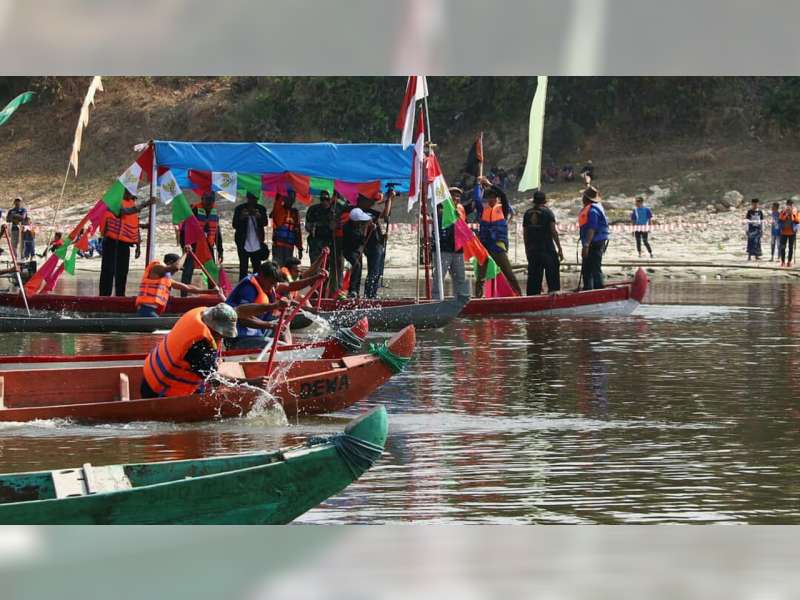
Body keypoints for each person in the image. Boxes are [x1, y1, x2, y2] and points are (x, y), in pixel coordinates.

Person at [140, 303, 270, 399]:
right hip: (159, 393)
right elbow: (213, 379)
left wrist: (273, 306)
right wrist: (252, 383)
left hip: (151, 375)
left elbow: (238, 311)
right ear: (213, 328)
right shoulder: (198, 345)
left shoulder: (206, 313)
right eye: (221, 334)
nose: (223, 337)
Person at [224, 260, 327, 348]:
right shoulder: (248, 288)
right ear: (262, 276)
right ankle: (285, 350)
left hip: (258, 331)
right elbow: (243, 319)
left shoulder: (269, 281)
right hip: (240, 337)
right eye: (271, 283)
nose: (273, 286)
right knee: (278, 345)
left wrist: (316, 278)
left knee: (284, 323)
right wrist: (271, 325)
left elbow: (290, 285)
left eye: (275, 283)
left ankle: (288, 348)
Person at [473, 176, 523, 297]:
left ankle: (518, 294)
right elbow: (476, 198)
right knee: (480, 275)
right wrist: (478, 184)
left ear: (496, 198)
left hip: (497, 246)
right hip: (484, 246)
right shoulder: (482, 210)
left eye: (493, 197)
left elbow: (504, 196)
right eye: (489, 197)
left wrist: (490, 184)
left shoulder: (503, 209)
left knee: (508, 272)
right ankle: (478, 296)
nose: (491, 199)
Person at [98, 190, 154, 296]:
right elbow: (124, 212)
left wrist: (138, 245)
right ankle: (104, 296)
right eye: (129, 193)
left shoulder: (132, 203)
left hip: (125, 244)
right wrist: (145, 204)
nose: (131, 196)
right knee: (108, 270)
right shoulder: (115, 202)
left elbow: (134, 224)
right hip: (112, 242)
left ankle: (120, 295)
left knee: (122, 272)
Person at [135, 251, 224, 317]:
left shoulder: (166, 279)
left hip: (152, 311)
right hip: (146, 310)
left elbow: (188, 288)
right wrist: (185, 253)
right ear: (169, 263)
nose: (175, 272)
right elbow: (176, 267)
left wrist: (211, 291)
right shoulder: (156, 268)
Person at [180, 191, 224, 296]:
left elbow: (217, 231)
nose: (209, 204)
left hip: (208, 246)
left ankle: (212, 295)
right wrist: (184, 246)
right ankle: (183, 296)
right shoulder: (194, 210)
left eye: (211, 201)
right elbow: (185, 229)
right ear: (202, 199)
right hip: (193, 246)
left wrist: (220, 249)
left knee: (211, 271)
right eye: (207, 200)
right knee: (188, 270)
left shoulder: (214, 211)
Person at [523, 191, 564, 295]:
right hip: (547, 250)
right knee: (553, 278)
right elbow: (553, 231)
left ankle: (531, 301)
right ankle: (553, 301)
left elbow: (525, 234)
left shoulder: (527, 214)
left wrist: (527, 250)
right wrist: (559, 248)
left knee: (533, 280)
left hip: (532, 250)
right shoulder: (548, 212)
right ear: (544, 201)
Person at [432, 187, 469, 298]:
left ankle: (460, 299)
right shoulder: (440, 209)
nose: (456, 198)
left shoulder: (460, 210)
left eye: (458, 196)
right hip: (443, 250)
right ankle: (436, 300)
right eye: (453, 195)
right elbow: (439, 226)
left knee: (460, 278)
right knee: (439, 277)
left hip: (458, 250)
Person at [305, 189, 343, 293]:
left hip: (333, 244)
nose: (324, 201)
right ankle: (316, 293)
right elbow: (307, 226)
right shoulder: (313, 209)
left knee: (335, 270)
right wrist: (314, 226)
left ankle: (334, 293)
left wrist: (336, 225)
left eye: (327, 199)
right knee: (318, 271)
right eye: (322, 199)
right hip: (317, 244)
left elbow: (344, 222)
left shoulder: (337, 208)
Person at [358, 191, 393, 299]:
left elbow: (384, 215)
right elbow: (384, 214)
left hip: (378, 243)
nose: (370, 203)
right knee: (373, 271)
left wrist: (389, 200)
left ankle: (372, 293)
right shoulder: (363, 213)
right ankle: (369, 294)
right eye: (366, 200)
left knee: (377, 271)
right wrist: (389, 199)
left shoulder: (370, 211)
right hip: (372, 245)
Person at [232, 191, 269, 281]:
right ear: (247, 198)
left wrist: (259, 216)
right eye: (251, 198)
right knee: (243, 268)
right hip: (243, 242)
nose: (253, 201)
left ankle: (257, 288)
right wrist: (242, 217)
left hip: (257, 243)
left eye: (255, 199)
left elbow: (265, 223)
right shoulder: (239, 209)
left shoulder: (261, 209)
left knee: (257, 268)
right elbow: (234, 225)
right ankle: (242, 289)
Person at [578, 186, 610, 290]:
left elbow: (592, 229)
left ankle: (597, 289)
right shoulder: (593, 209)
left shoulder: (592, 211)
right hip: (594, 242)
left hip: (594, 243)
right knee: (588, 268)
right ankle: (589, 289)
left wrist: (586, 245)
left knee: (593, 268)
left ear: (586, 199)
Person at [342, 206, 373, 297]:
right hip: (349, 251)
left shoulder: (359, 225)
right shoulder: (348, 227)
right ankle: (352, 289)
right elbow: (360, 239)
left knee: (359, 270)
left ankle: (357, 291)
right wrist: (367, 229)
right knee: (356, 266)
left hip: (357, 251)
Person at [270, 190, 303, 267]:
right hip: (278, 246)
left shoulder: (295, 213)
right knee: (277, 268)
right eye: (289, 197)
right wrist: (282, 191)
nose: (291, 199)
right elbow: (277, 200)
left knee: (287, 269)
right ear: (285, 198)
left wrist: (300, 248)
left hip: (289, 247)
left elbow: (298, 232)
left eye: (293, 197)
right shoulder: (279, 210)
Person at [778, 199, 800, 267]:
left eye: (791, 205)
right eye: (789, 204)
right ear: (786, 205)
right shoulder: (783, 211)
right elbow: (780, 219)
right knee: (783, 248)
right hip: (784, 232)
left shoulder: (796, 212)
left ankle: (789, 261)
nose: (790, 206)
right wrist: (786, 214)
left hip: (792, 233)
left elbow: (798, 221)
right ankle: (783, 261)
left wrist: (793, 215)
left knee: (791, 248)